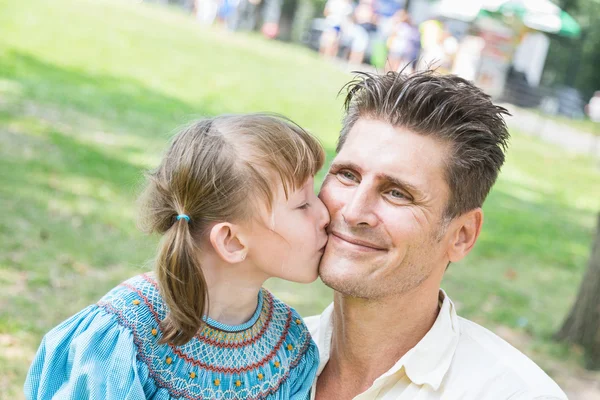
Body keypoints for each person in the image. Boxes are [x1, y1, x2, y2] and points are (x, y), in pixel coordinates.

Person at [24, 114, 330, 399]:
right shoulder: (125, 335)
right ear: (231, 241)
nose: (325, 214)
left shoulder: (288, 346)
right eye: (303, 205)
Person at [307, 71, 568, 399]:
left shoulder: (515, 393)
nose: (353, 212)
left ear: (461, 235)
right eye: (347, 175)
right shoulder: (261, 360)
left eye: (397, 193)